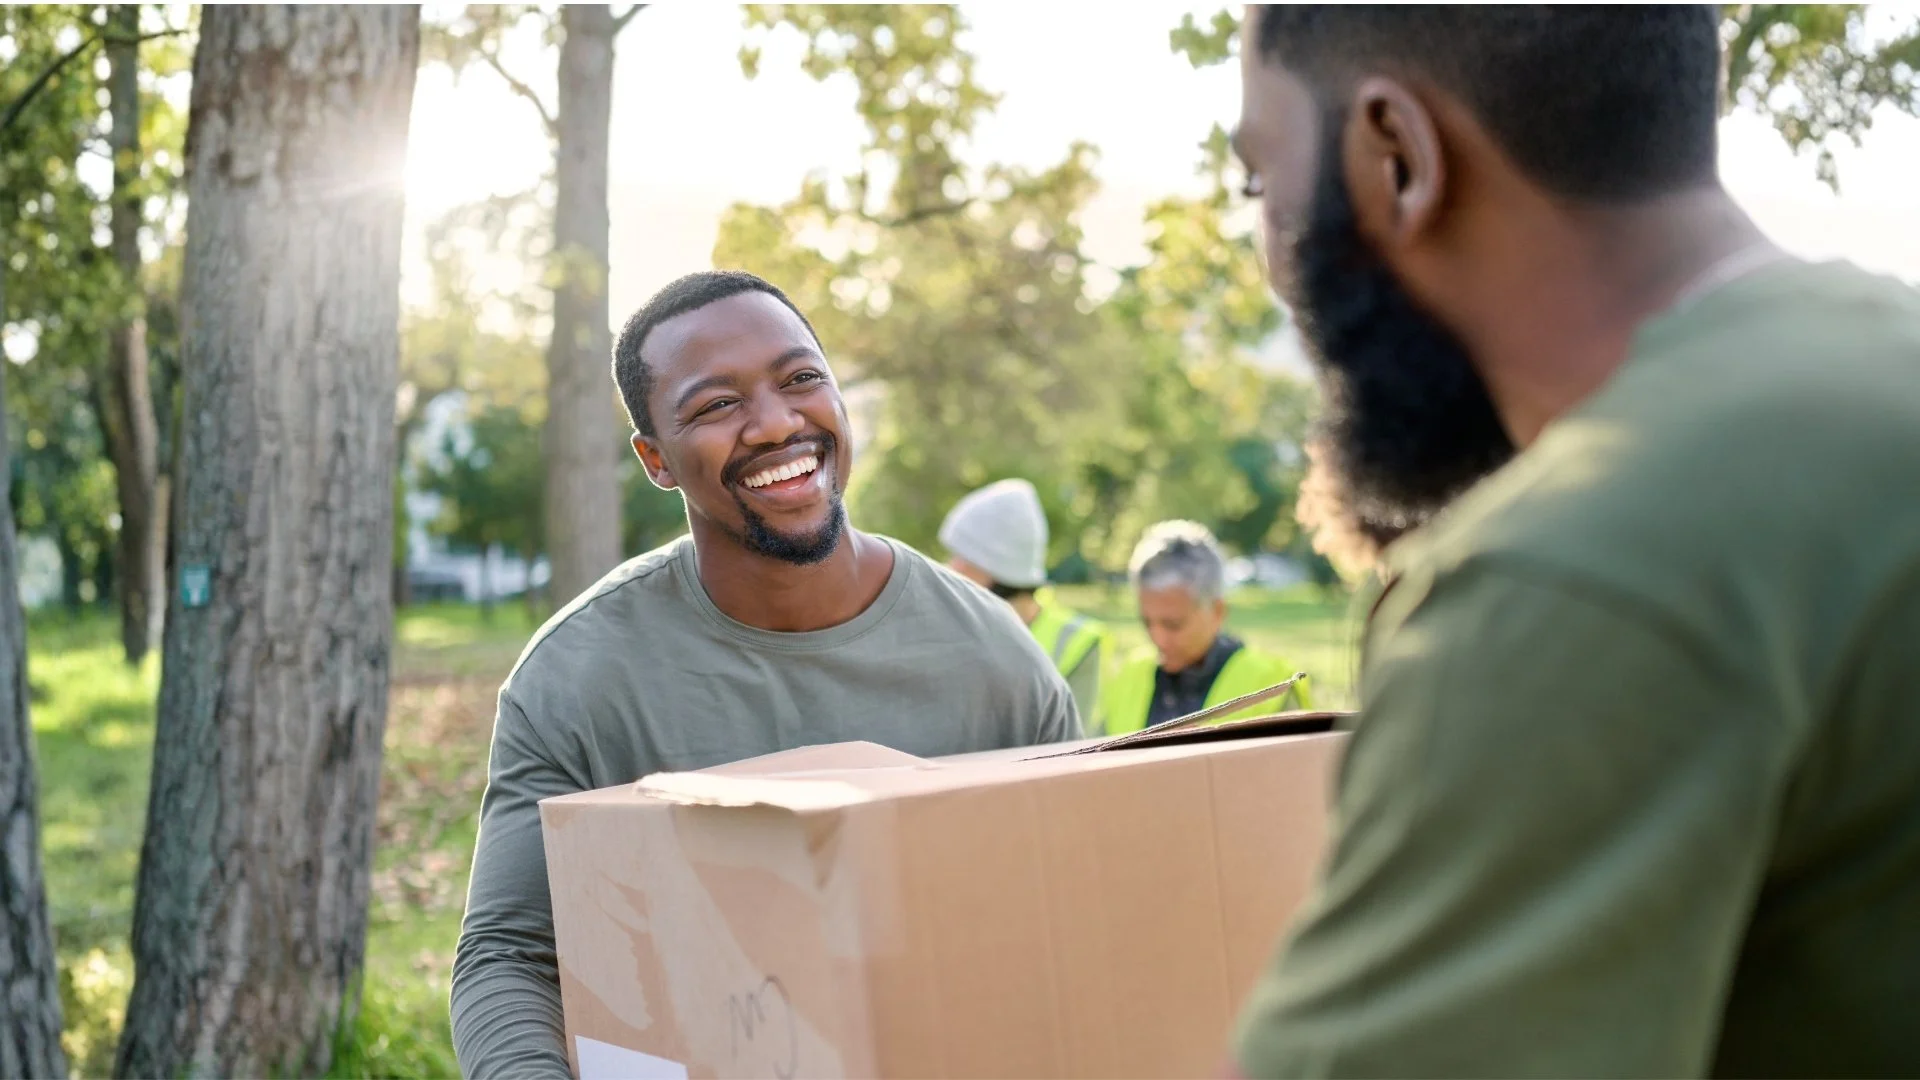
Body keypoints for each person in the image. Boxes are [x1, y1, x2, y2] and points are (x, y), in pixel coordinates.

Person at [1229, 6, 1920, 1076]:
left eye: (1263, 182)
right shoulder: (1881, 361)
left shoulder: (1562, 574)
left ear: (1397, 156)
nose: (1274, 252)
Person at [450, 270, 1080, 1078]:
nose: (777, 424)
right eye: (717, 404)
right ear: (656, 459)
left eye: (802, 379)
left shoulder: (995, 662)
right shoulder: (578, 678)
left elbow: (1070, 926)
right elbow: (510, 956)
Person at [1098, 521, 1310, 736]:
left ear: (1217, 611)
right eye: (1147, 622)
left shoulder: (1272, 686)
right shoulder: (1130, 674)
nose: (1158, 638)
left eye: (1173, 625)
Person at [939, 477, 1109, 721]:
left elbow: (1074, 750)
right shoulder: (953, 627)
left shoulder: (1078, 644)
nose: (950, 567)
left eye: (961, 557)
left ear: (996, 568)